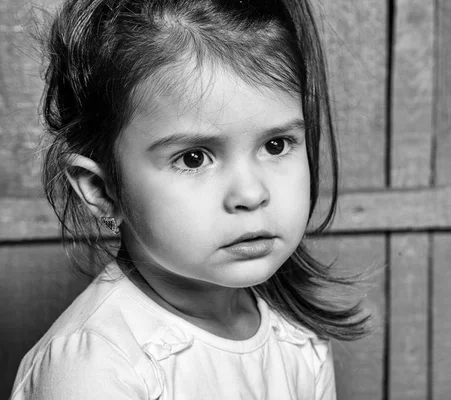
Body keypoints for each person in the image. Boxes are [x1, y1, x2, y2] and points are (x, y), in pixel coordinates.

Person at [10, 0, 371, 399]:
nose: (251, 194)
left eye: (275, 144)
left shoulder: (298, 340)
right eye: (194, 158)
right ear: (102, 190)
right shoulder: (95, 368)